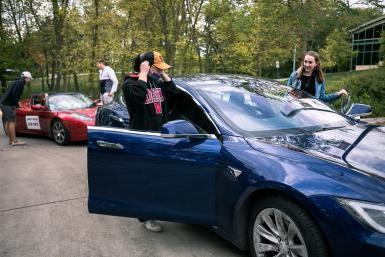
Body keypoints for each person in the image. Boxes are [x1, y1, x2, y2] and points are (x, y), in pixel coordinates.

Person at [122, 51, 180, 232]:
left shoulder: (157, 82)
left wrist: (163, 75)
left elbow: (174, 95)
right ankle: (146, 216)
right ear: (145, 65)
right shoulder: (130, 83)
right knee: (145, 180)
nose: (159, 72)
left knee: (160, 178)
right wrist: (144, 74)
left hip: (160, 137)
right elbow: (138, 97)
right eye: (157, 68)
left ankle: (160, 208)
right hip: (142, 138)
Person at [0, 71, 33, 146]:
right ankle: (14, 141)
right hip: (8, 104)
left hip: (3, 102)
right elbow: (15, 94)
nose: (29, 80)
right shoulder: (21, 82)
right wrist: (17, 104)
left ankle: (11, 140)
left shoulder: (15, 81)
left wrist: (16, 103)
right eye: (29, 79)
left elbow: (12, 93)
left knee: (7, 122)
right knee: (11, 122)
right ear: (26, 78)